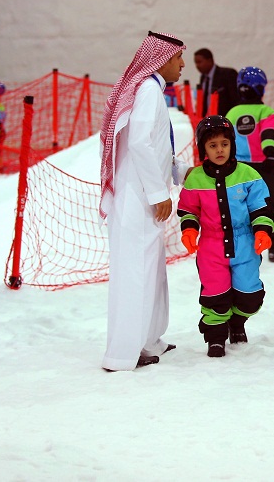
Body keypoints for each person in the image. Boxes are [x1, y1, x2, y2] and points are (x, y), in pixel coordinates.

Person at [99, 31, 191, 371]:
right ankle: (123, 353)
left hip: (139, 197)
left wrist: (179, 173)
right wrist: (158, 193)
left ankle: (150, 338)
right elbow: (139, 143)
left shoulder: (149, 90)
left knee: (151, 271)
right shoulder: (149, 90)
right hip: (138, 200)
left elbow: (153, 145)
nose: (182, 64)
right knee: (136, 273)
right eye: (179, 57)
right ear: (162, 59)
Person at [178, 116, 274, 357]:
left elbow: (261, 207)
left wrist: (262, 230)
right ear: (203, 149)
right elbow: (189, 210)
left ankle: (237, 322)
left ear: (232, 144)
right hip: (212, 246)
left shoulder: (248, 175)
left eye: (224, 143)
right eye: (212, 145)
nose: (219, 150)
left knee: (249, 296)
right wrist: (190, 229)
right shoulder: (195, 179)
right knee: (215, 295)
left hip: (245, 245)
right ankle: (215, 338)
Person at [225, 67, 274, 262]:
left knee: (241, 204)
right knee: (270, 204)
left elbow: (226, 139)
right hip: (263, 166)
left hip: (238, 167)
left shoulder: (232, 112)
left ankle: (245, 243)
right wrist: (270, 155)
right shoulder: (265, 111)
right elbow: (269, 134)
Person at [194, 48, 239, 117]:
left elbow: (236, 99)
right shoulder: (203, 77)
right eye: (196, 63)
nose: (197, 66)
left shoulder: (228, 74)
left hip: (226, 118)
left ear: (209, 60)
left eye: (199, 62)